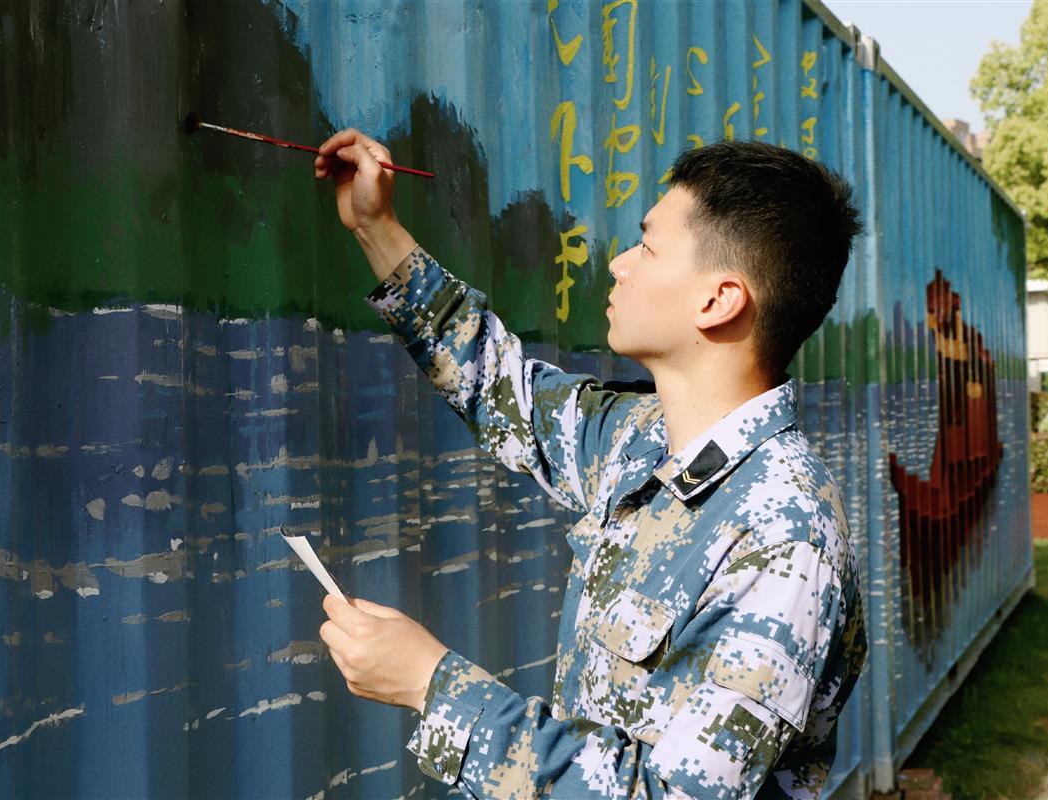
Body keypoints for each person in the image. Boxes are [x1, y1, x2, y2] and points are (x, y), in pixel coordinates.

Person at [314, 128, 866, 799]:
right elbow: (497, 385)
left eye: (648, 246)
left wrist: (434, 686)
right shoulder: (640, 439)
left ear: (717, 300)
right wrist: (376, 226)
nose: (620, 264)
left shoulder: (783, 537)